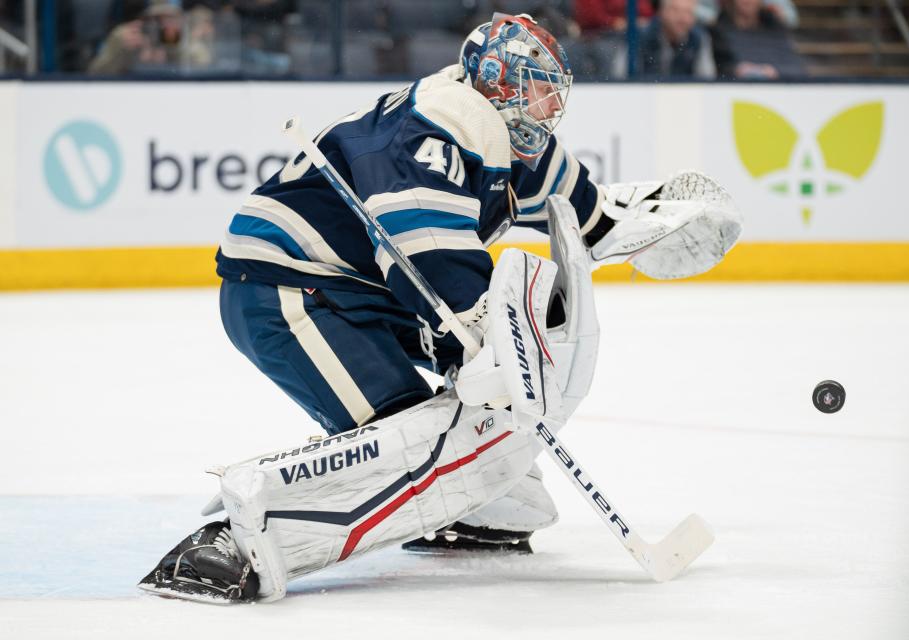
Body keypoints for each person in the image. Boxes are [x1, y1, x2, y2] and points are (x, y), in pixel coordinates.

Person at [138, 13, 741, 604]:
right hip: (289, 288)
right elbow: (430, 260)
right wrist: (487, 342)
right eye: (536, 95)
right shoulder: (430, 135)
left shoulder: (511, 137)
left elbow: (587, 212)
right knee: (410, 440)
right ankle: (234, 538)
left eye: (555, 96)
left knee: (488, 470)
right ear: (499, 85)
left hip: (362, 289)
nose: (549, 110)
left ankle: (464, 509)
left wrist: (648, 222)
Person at [710, 0, 806, 79]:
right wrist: (735, 69)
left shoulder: (775, 28)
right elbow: (718, 67)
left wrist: (773, 71)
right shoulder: (719, 32)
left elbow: (796, 67)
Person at [637, 0, 717, 79]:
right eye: (675, 11)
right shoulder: (642, 36)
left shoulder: (699, 38)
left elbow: (706, 81)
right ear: (661, 12)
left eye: (688, 12)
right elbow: (628, 81)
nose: (682, 18)